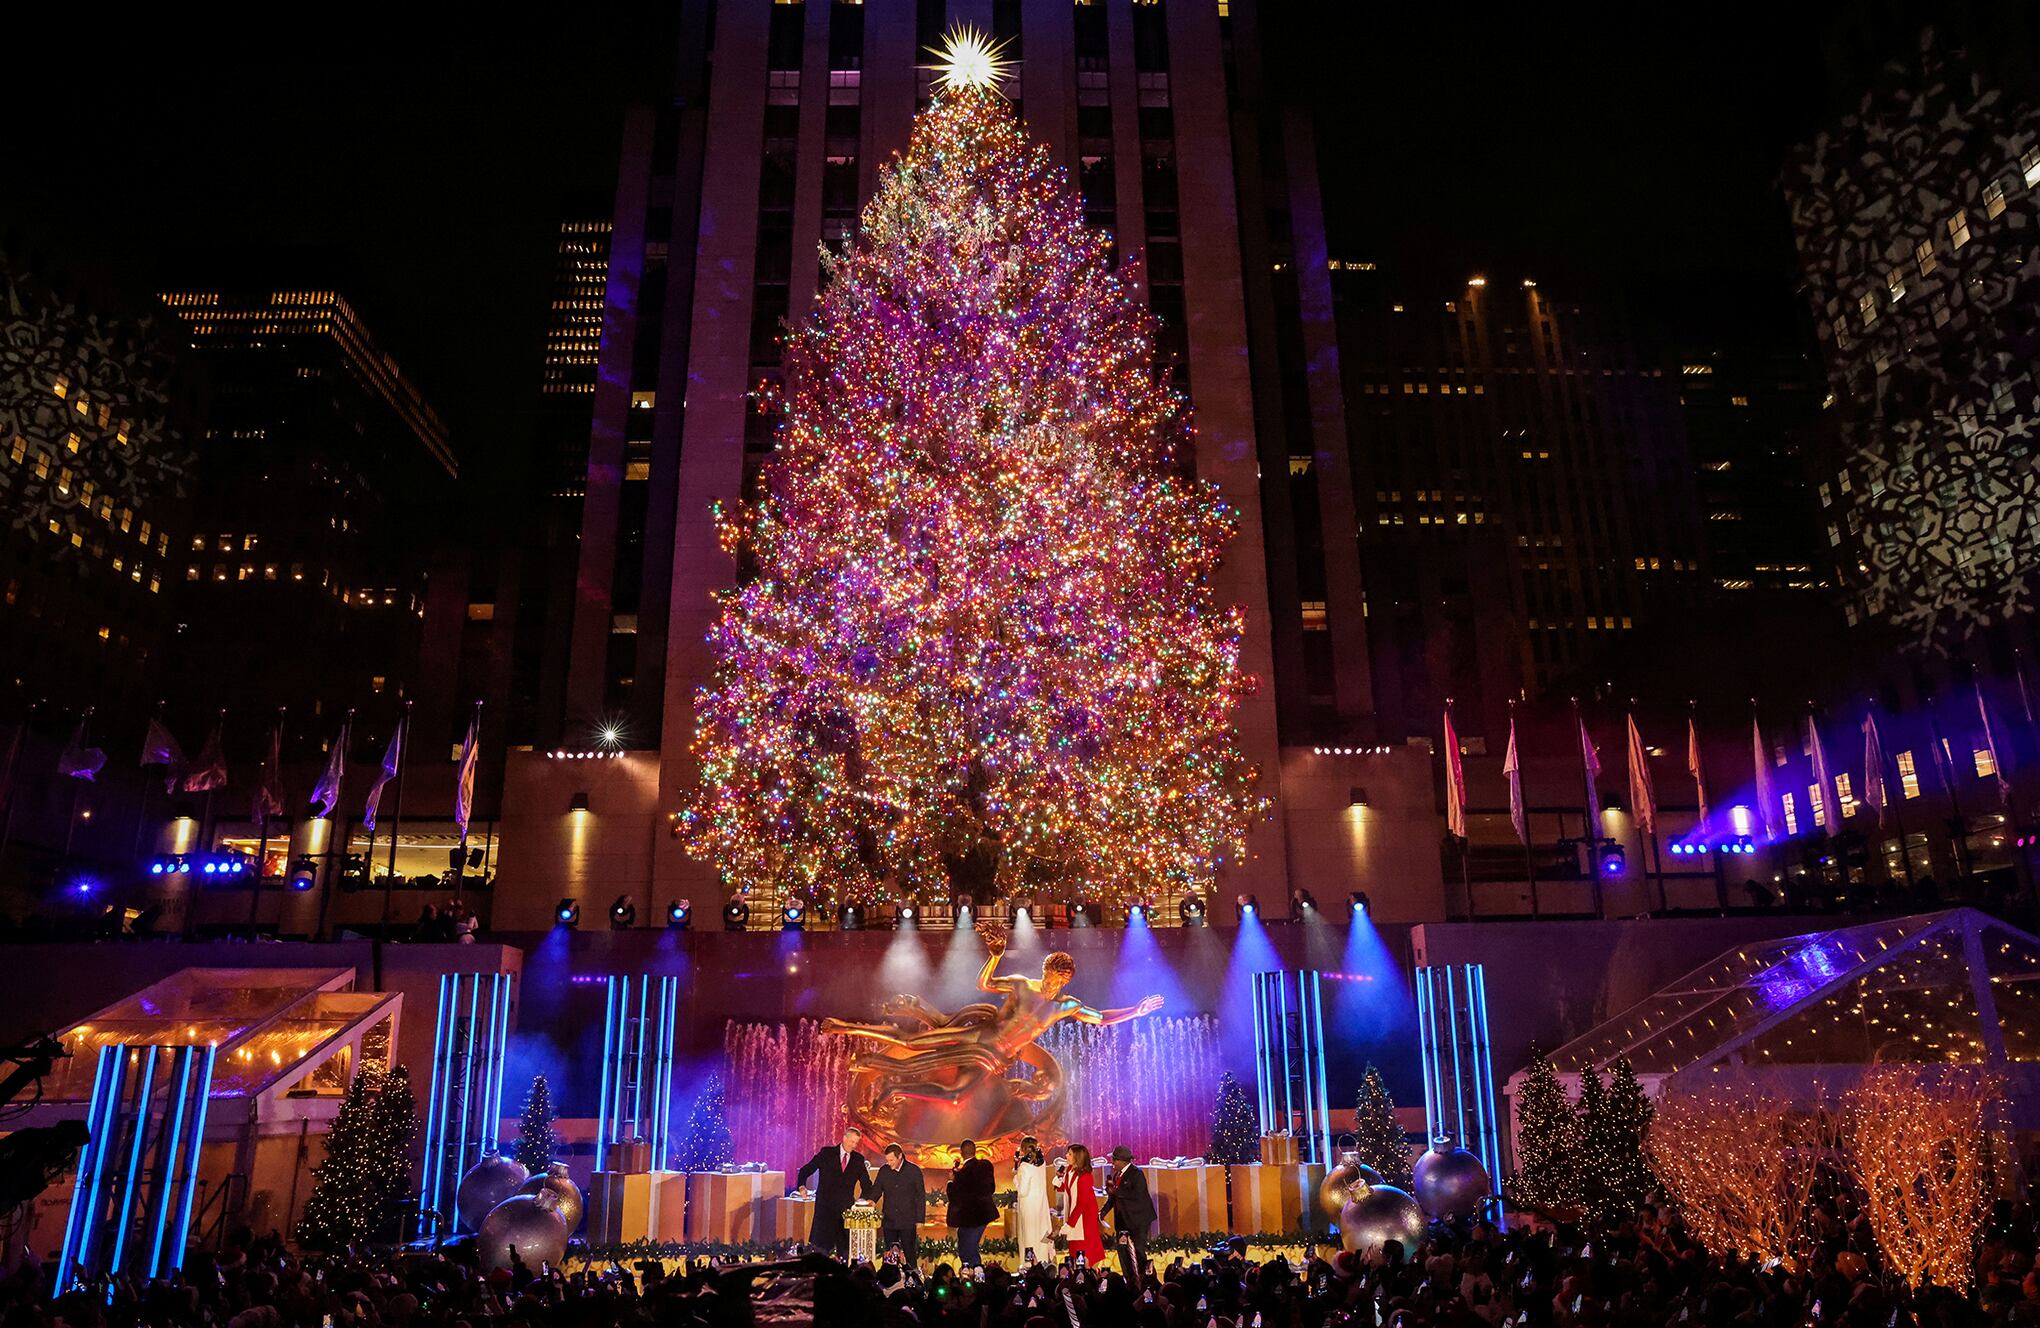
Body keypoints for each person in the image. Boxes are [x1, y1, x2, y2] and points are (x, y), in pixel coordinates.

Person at [795, 1126, 872, 1258]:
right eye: (851, 1141)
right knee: (819, 1253)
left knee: (845, 1254)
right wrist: (802, 1186)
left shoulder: (858, 1159)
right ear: (844, 1138)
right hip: (825, 1211)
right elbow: (805, 1170)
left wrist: (861, 1202)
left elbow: (867, 1185)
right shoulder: (826, 1153)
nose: (853, 1145)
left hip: (845, 1213)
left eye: (856, 1143)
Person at [864, 1142, 925, 1266]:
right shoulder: (884, 1170)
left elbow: (920, 1196)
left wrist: (920, 1219)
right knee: (890, 1254)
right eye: (887, 1160)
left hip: (907, 1220)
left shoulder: (914, 1171)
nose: (889, 1163)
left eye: (891, 1160)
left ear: (900, 1156)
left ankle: (911, 1275)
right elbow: (877, 1188)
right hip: (889, 1220)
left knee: (909, 1251)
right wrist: (872, 1200)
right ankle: (890, 1276)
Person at [1100, 1144, 1155, 1276]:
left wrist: (1116, 1191)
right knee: (1122, 1250)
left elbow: (1137, 1195)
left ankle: (1143, 1279)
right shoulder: (1116, 1176)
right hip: (1122, 1221)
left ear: (1123, 1161)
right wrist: (1102, 1213)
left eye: (1114, 1159)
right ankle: (1128, 1279)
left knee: (1138, 1250)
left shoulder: (1137, 1174)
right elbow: (1112, 1199)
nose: (1112, 1162)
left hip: (1138, 1220)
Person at [946, 1138, 997, 1269]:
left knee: (967, 1251)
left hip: (970, 1219)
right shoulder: (986, 1166)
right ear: (975, 1151)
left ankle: (975, 1275)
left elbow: (954, 1197)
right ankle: (973, 1273)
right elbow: (991, 1189)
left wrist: (951, 1181)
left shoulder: (961, 1175)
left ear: (961, 1154)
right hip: (984, 1215)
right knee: (969, 1248)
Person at [1056, 1143, 1104, 1267]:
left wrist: (1070, 1224)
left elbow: (1081, 1203)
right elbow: (1066, 1189)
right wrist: (1059, 1182)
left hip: (1084, 1219)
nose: (1066, 1156)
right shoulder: (1069, 1170)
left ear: (1077, 1157)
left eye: (1070, 1154)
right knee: (1074, 1249)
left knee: (1083, 1250)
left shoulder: (1085, 1177)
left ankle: (1087, 1272)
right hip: (1075, 1216)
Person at [1012, 1134, 1055, 1264]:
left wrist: (1016, 1179)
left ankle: (1029, 1265)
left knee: (1029, 1237)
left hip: (1028, 1206)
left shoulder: (1025, 1167)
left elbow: (1023, 1191)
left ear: (1023, 1149)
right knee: (1041, 1233)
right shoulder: (1042, 1163)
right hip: (1041, 1204)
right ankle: (1043, 1262)